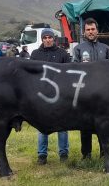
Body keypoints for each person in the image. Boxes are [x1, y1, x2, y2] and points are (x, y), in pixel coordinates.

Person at [31, 28, 70, 164]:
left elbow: (69, 73)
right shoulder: (35, 54)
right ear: (42, 39)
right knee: (42, 126)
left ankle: (63, 154)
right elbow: (32, 75)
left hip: (60, 95)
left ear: (54, 38)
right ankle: (42, 155)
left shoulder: (62, 53)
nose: (47, 40)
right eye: (45, 37)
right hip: (42, 95)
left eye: (50, 37)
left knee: (63, 125)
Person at [73, 18, 109, 159]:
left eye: (93, 29)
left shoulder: (105, 48)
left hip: (102, 94)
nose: (90, 32)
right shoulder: (78, 49)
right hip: (85, 94)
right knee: (85, 125)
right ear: (84, 32)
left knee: (103, 124)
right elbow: (74, 70)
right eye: (88, 30)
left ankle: (103, 153)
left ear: (97, 30)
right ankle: (86, 154)